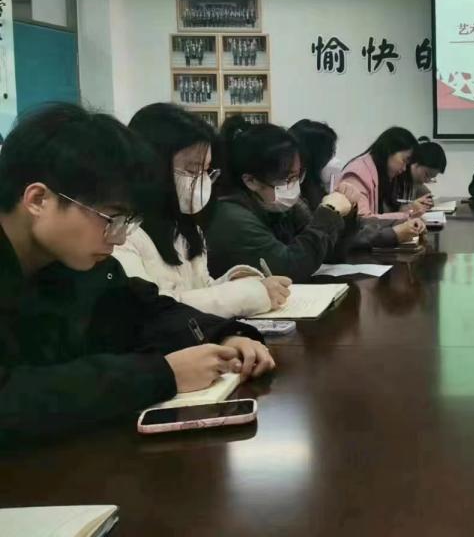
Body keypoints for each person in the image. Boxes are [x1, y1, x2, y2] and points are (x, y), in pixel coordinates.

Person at [0, 104, 272, 445]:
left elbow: (143, 309)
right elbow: (11, 397)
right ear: (39, 199)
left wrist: (224, 336)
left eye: (126, 221)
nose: (119, 238)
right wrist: (161, 375)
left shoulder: (75, 262)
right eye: (110, 218)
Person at [113, 104, 292, 318]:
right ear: (151, 167)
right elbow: (157, 310)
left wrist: (234, 281)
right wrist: (249, 294)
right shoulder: (121, 235)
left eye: (206, 171)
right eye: (192, 170)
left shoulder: (186, 227)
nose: (203, 181)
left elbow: (200, 289)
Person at [205, 116, 359, 282]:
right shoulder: (231, 217)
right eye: (287, 178)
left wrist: (345, 210)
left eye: (297, 176)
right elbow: (289, 268)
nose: (293, 186)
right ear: (251, 181)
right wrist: (329, 212)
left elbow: (327, 254)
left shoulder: (278, 205)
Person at [290, 119, 424, 251]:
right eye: (329, 155)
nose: (334, 163)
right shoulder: (358, 173)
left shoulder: (315, 189)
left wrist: (405, 214)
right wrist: (396, 231)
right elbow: (339, 235)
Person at [335, 126, 432, 218]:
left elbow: (384, 214)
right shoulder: (358, 174)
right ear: (389, 150)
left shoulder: (381, 174)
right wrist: (406, 216)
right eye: (404, 160)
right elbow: (363, 220)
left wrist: (410, 209)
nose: (404, 169)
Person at [397, 137, 447, 202]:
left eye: (431, 178)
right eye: (426, 175)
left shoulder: (415, 183)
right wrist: (411, 206)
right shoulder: (395, 176)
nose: (426, 180)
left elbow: (426, 194)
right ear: (416, 162)